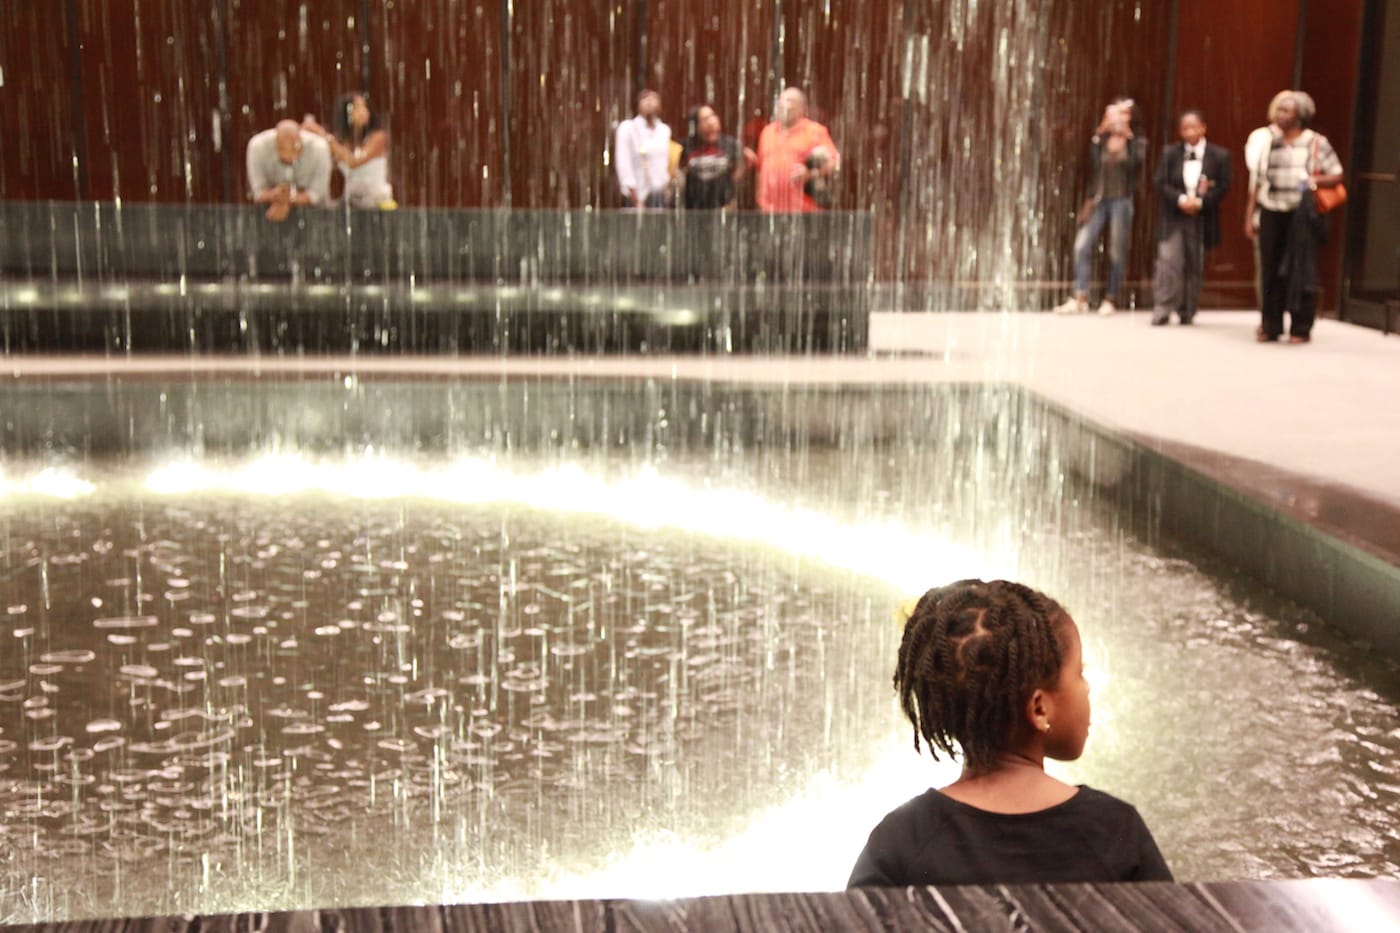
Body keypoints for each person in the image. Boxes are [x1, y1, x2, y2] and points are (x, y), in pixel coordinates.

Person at [848, 579, 1172, 887]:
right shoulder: (1112, 830)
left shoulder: (904, 840)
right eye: (1080, 672)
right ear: (1039, 709)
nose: (1087, 687)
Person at [1243, 91, 1344, 343]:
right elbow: (1256, 181)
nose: (1280, 114)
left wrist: (1313, 180)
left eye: (1286, 110)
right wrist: (1249, 216)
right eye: (1279, 110)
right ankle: (1270, 325)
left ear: (1300, 116)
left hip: (1301, 215)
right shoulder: (1269, 142)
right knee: (1270, 269)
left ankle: (1300, 326)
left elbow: (1337, 174)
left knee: (1300, 269)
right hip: (1271, 210)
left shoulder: (1315, 142)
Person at [1055, 98, 1148, 316]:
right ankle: (1080, 296)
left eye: (1124, 114)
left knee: (1116, 251)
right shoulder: (1101, 139)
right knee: (1082, 246)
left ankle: (1111, 298)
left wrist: (1127, 135)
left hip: (1122, 200)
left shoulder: (1137, 141)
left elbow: (1136, 166)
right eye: (1116, 114)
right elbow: (1088, 164)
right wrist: (1100, 132)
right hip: (1098, 199)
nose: (1119, 118)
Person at [1150, 109, 1232, 326]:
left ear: (1203, 128)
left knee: (1194, 263)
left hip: (1201, 216)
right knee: (1168, 261)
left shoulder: (1219, 155)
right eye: (1184, 128)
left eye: (1193, 127)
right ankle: (1163, 307)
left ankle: (1187, 309)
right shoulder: (1170, 153)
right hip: (1174, 214)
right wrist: (1180, 199)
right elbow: (1160, 182)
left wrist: (1201, 202)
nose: (1189, 132)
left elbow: (1224, 186)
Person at [751, 87, 840, 213]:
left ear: (801, 108)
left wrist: (810, 174)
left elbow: (835, 163)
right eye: (781, 100)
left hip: (804, 210)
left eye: (790, 101)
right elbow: (761, 167)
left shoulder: (815, 131)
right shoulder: (767, 131)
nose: (784, 104)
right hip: (769, 210)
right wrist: (759, 198)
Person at [1243, 92, 1295, 306]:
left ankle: (1290, 313)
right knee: (1267, 265)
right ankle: (1267, 316)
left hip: (1294, 210)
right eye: (1281, 109)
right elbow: (1257, 173)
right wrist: (1249, 215)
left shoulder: (1307, 138)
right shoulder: (1261, 137)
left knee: (1292, 264)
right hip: (1267, 206)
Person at [302, 92, 394, 210]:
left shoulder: (378, 137)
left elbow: (353, 161)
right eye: (357, 107)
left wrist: (324, 135)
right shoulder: (340, 140)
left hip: (377, 203)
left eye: (365, 107)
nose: (363, 111)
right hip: (349, 203)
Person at [245, 120, 332, 222]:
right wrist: (274, 195)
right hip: (268, 214)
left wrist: (287, 200)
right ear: (275, 142)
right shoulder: (258, 146)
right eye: (283, 150)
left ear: (300, 139)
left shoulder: (319, 148)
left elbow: (317, 193)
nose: (289, 157)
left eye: (294, 150)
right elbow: (258, 192)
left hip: (314, 216)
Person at [615, 89, 672, 209]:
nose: (649, 101)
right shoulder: (628, 128)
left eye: (654, 98)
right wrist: (636, 200)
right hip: (635, 196)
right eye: (645, 98)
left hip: (659, 196)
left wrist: (668, 190)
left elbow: (666, 162)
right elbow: (623, 164)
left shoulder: (664, 130)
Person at [679, 104, 743, 210]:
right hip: (695, 211)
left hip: (724, 209)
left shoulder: (730, 143)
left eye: (713, 116)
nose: (712, 121)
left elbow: (743, 164)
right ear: (697, 125)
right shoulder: (686, 145)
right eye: (706, 119)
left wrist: (732, 190)